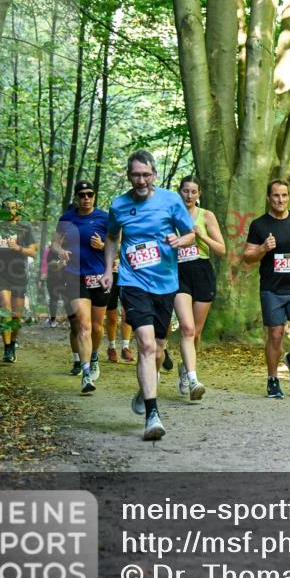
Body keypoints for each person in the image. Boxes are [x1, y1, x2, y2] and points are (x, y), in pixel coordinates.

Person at [102, 150, 195, 441]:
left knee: (157, 347)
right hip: (133, 281)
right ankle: (153, 414)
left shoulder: (170, 200)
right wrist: (108, 270)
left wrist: (180, 240)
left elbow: (191, 234)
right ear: (129, 176)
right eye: (135, 175)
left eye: (146, 175)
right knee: (144, 344)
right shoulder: (119, 205)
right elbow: (112, 237)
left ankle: (145, 391)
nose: (140, 180)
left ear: (154, 174)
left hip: (166, 283)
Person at [243, 179, 290, 399]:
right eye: (275, 195)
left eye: (284, 195)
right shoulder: (259, 225)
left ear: (288, 196)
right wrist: (263, 248)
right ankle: (272, 379)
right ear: (268, 198)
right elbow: (247, 256)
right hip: (272, 289)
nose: (280, 200)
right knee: (275, 334)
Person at [173, 175, 226, 401]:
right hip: (178, 272)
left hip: (202, 271)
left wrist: (201, 236)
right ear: (180, 191)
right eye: (186, 191)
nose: (189, 195)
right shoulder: (171, 214)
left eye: (194, 191)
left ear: (199, 194)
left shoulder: (206, 216)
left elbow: (222, 249)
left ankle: (185, 368)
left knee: (197, 330)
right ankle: (192, 377)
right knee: (187, 328)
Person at [53, 181, 109, 394]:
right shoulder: (67, 218)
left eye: (90, 194)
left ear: (94, 196)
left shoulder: (104, 218)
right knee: (83, 325)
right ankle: (86, 374)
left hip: (99, 277)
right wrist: (60, 251)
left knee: (96, 326)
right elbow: (54, 242)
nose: (86, 198)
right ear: (76, 197)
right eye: (82, 195)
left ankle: (94, 356)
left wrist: (103, 246)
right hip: (75, 276)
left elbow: (118, 244)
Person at [0, 199, 38, 363]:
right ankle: (7, 348)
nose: (10, 211)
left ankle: (13, 343)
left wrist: (18, 248)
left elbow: (33, 252)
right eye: (7, 208)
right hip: (1, 273)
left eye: (13, 208)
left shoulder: (25, 227)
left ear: (19, 210)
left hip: (19, 274)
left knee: (17, 315)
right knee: (5, 308)